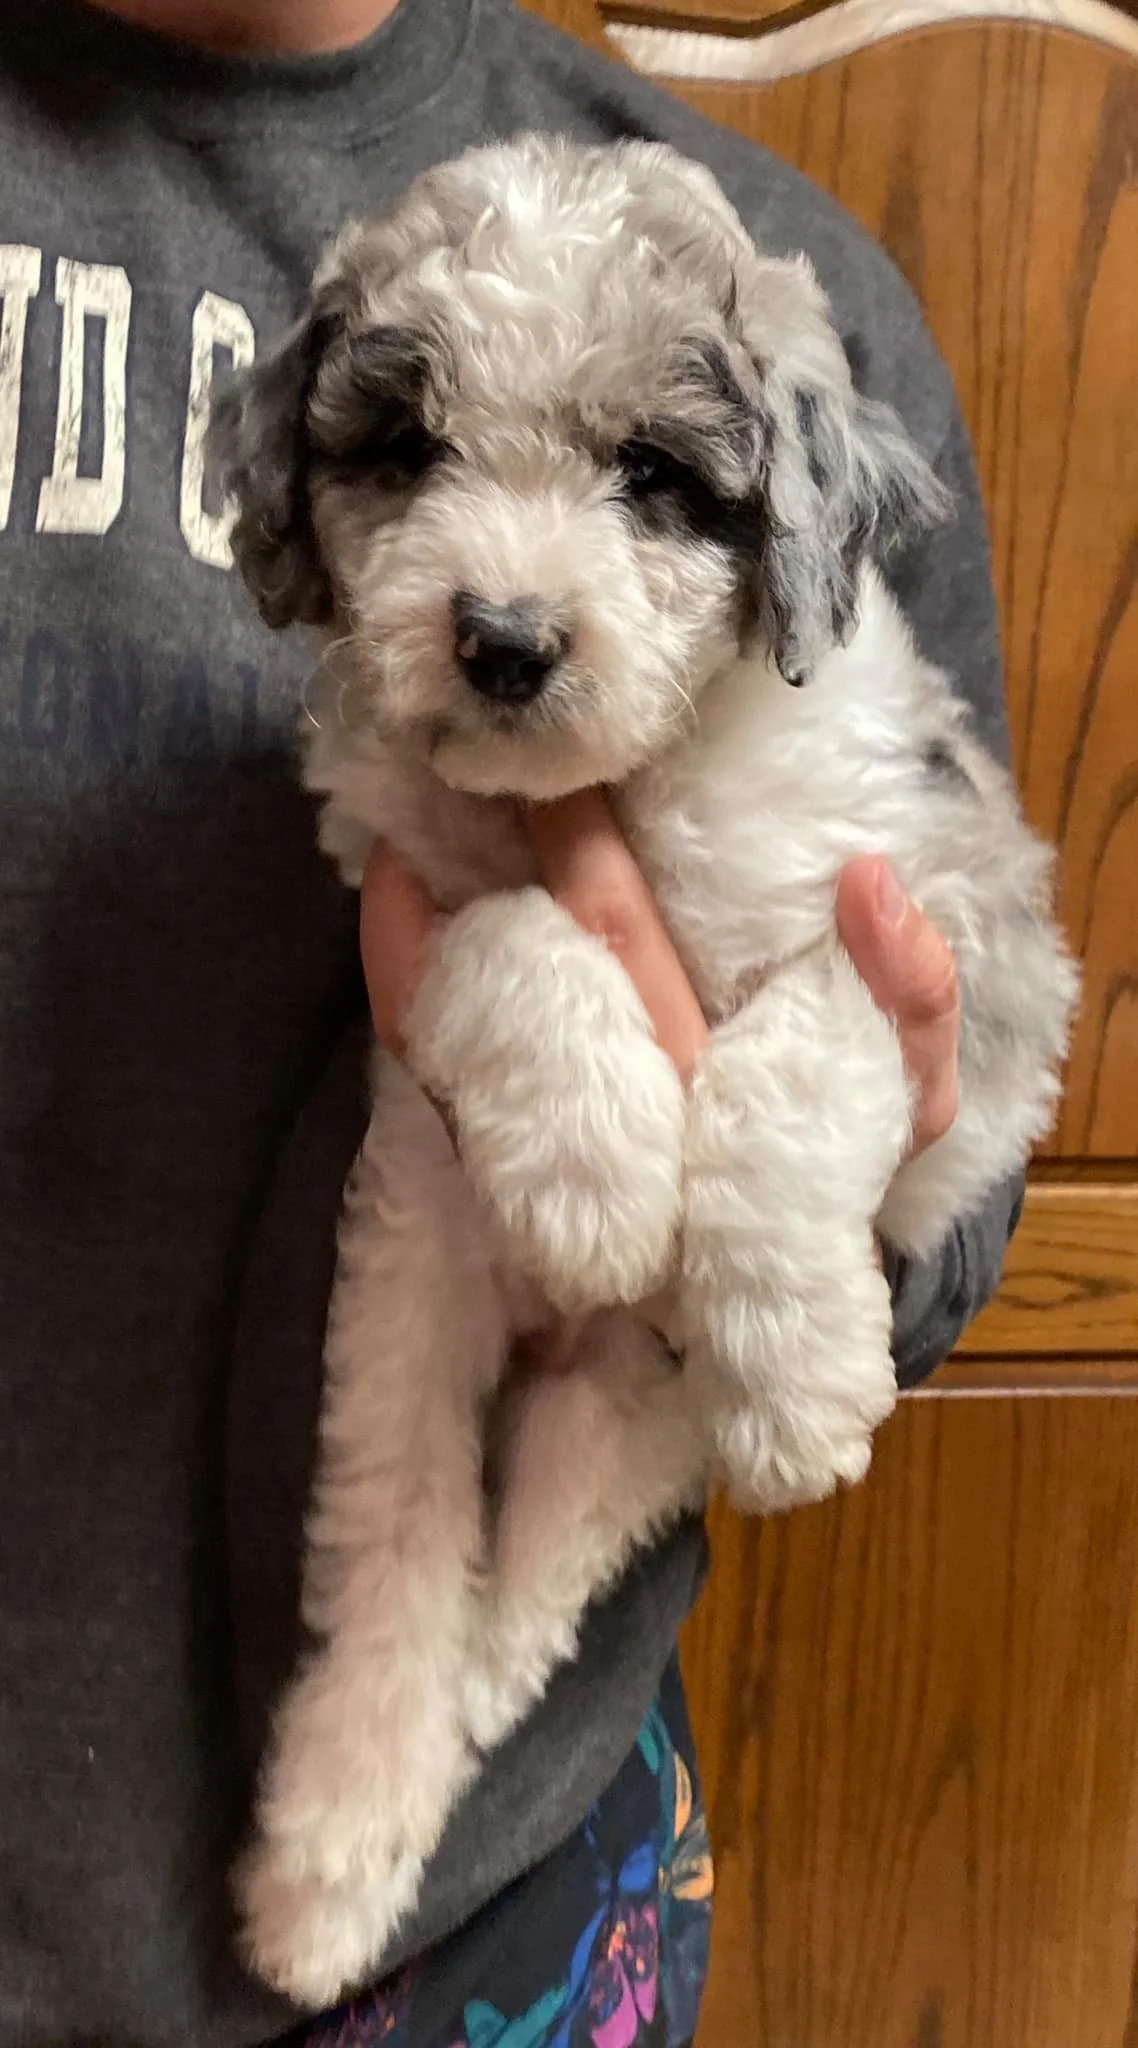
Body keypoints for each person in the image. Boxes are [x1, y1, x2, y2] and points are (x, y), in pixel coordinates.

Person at [0, 2, 1021, 2043]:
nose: (507, 590)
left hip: (508, 1925)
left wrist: (823, 1180)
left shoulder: (781, 280)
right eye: (413, 452)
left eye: (646, 477)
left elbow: (936, 1181)